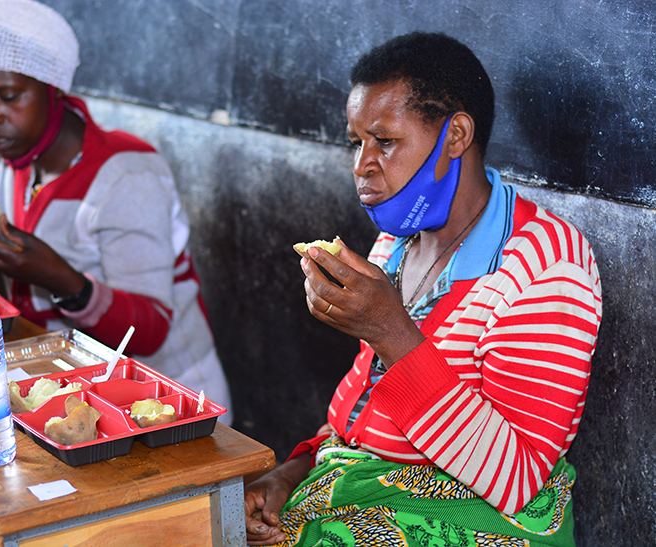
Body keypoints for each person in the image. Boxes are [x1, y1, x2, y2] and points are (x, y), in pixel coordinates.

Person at [244, 32, 602, 546]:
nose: (361, 165)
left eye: (384, 141)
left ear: (455, 137)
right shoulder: (394, 245)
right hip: (364, 489)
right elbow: (367, 413)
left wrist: (391, 330)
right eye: (357, 141)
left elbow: (518, 478)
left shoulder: (547, 268)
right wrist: (291, 472)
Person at [0, 0, 231, 421]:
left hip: (168, 404)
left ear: (53, 88)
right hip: (78, 396)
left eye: (8, 96)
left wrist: (61, 279)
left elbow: (150, 328)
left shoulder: (127, 174)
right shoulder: (6, 158)